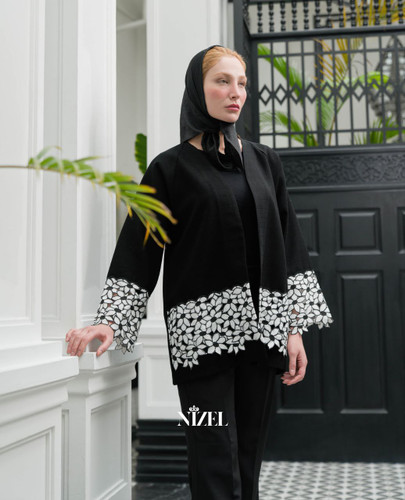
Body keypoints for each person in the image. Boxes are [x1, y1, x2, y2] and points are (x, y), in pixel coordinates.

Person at [65, 45, 334, 499]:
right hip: (201, 340)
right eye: (222, 81)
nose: (236, 93)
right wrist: (110, 320)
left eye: (242, 83)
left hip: (265, 333)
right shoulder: (168, 169)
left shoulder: (265, 162)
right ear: (198, 88)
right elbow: (139, 249)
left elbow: (288, 247)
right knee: (212, 456)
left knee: (247, 457)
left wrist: (293, 330)